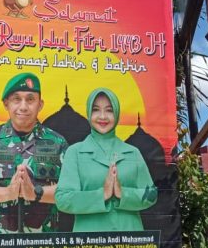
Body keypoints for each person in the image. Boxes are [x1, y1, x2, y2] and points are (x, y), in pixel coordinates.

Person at [0, 72, 68, 234]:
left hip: (43, 242)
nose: (23, 106)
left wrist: (35, 193)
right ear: (6, 104)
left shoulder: (57, 142)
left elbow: (72, 192)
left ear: (40, 105)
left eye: (30, 99)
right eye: (17, 99)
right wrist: (7, 193)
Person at [55, 88, 157, 232]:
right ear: (89, 114)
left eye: (109, 110)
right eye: (96, 110)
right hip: (90, 239)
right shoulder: (75, 152)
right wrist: (102, 194)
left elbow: (151, 195)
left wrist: (123, 193)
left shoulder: (132, 153)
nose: (102, 116)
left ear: (117, 113)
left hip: (130, 238)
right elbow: (63, 200)